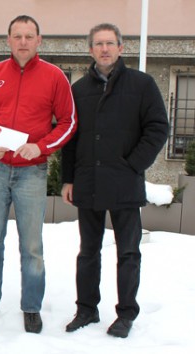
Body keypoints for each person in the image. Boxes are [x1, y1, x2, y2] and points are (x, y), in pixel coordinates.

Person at [0, 15, 77, 333]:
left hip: (32, 172)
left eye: (29, 36)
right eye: (17, 36)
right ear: (8, 40)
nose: (23, 42)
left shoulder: (55, 76)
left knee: (32, 246)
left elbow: (68, 121)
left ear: (39, 40)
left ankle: (31, 307)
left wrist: (41, 146)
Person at [61, 23, 169, 338]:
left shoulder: (142, 84)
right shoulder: (78, 89)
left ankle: (126, 313)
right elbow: (70, 137)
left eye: (110, 43)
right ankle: (86, 309)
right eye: (98, 44)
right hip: (88, 182)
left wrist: (133, 165)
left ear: (121, 48)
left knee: (128, 252)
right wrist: (68, 179)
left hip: (125, 182)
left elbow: (158, 128)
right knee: (88, 251)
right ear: (90, 49)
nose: (104, 49)